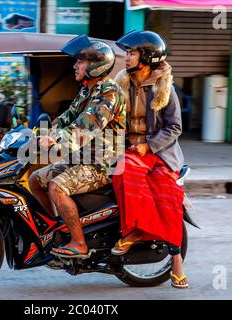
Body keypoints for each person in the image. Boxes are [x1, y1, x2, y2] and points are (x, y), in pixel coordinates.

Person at [28, 35, 126, 258]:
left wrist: (57, 140)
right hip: (82, 159)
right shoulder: (86, 91)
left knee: (56, 187)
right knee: (35, 179)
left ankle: (79, 243)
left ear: (95, 66)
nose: (75, 66)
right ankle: (56, 228)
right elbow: (65, 119)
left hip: (102, 165)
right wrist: (41, 132)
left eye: (80, 62)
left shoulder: (109, 93)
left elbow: (86, 127)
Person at [111, 30, 188, 289]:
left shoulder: (163, 86)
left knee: (167, 197)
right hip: (129, 151)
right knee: (121, 169)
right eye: (127, 53)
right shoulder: (121, 82)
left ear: (147, 57)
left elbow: (174, 127)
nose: (126, 57)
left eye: (131, 53)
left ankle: (176, 260)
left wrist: (149, 145)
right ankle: (136, 229)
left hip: (159, 153)